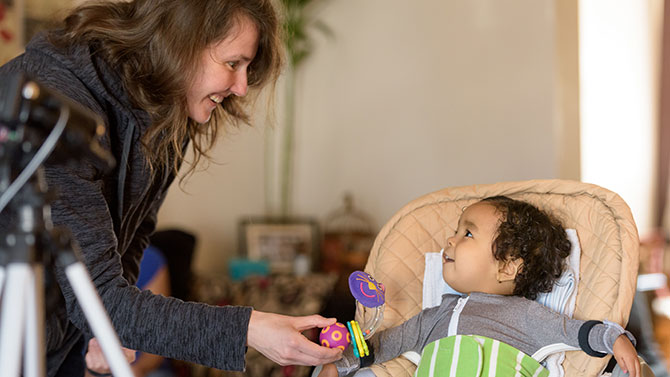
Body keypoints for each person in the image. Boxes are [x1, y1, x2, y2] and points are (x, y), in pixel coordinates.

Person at [0, 0, 341, 376]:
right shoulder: (58, 106)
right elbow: (103, 299)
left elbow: (133, 232)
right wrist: (250, 329)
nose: (242, 87)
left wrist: (109, 326)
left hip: (56, 341)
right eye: (232, 64)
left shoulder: (164, 113)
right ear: (180, 44)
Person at [315, 196, 641, 377]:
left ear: (508, 265)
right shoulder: (435, 317)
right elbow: (384, 346)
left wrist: (615, 339)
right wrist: (342, 363)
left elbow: (578, 332)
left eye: (467, 233)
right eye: (457, 230)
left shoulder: (527, 316)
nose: (450, 239)